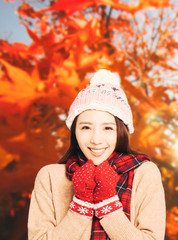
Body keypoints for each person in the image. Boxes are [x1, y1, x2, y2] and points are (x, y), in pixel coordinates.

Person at [28, 69, 166, 239]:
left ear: (121, 131)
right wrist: (81, 206)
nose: (96, 140)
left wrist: (108, 204)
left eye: (108, 128)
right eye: (86, 127)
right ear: (74, 131)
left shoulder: (144, 173)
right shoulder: (49, 177)